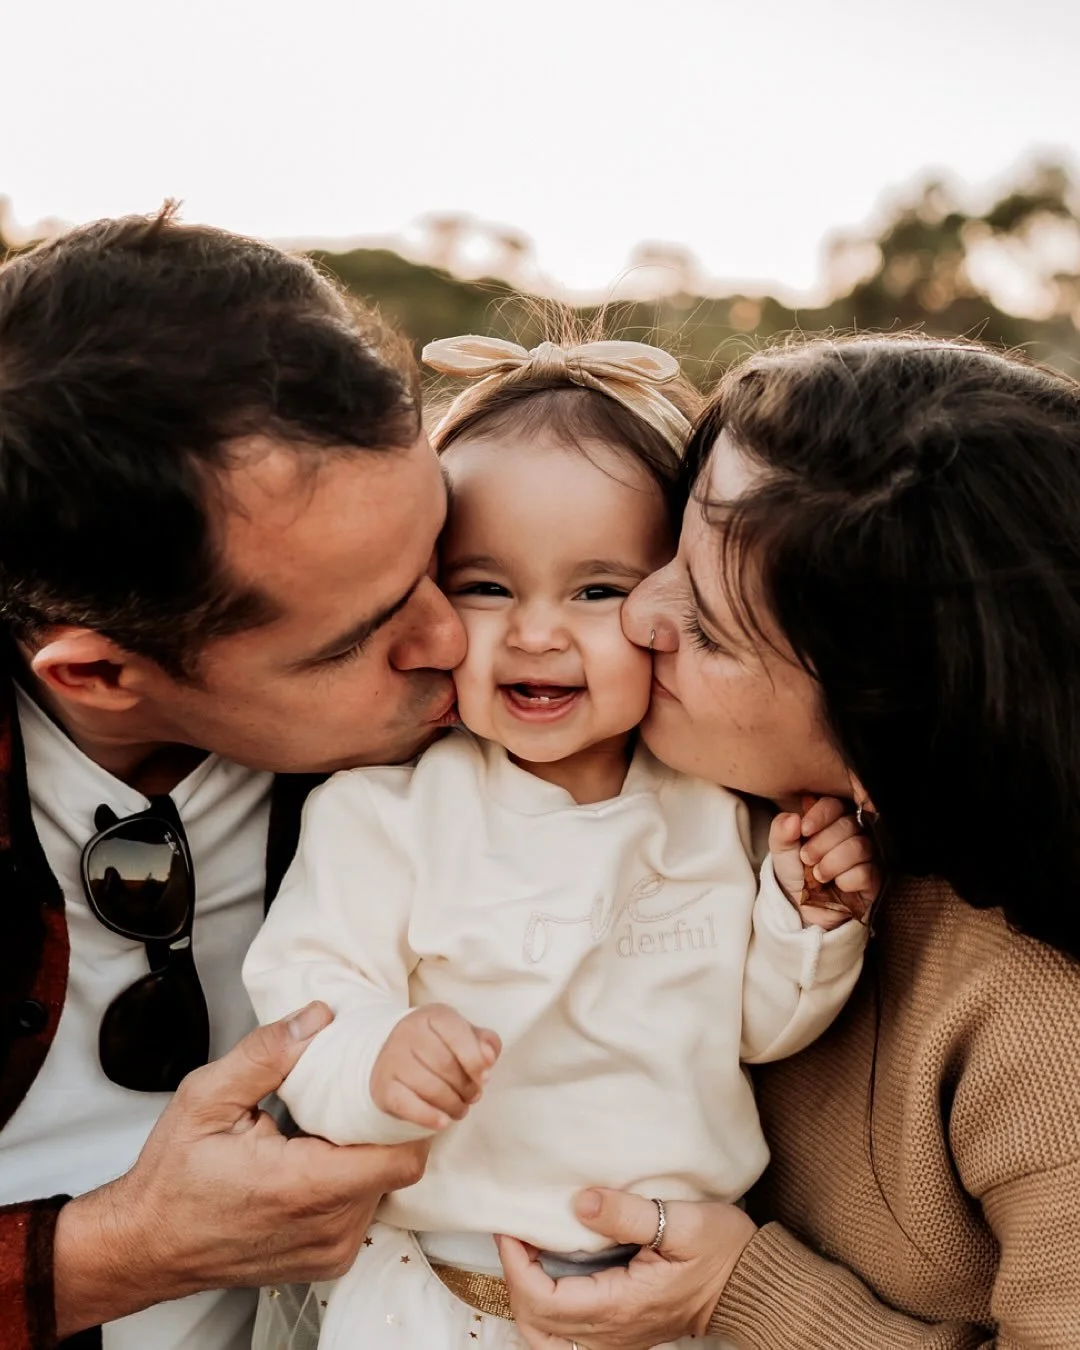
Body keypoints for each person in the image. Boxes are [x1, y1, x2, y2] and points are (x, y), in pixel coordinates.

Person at [243, 333, 877, 1350]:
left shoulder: (715, 805)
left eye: (595, 591)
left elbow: (756, 1032)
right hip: (443, 1296)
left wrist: (806, 919)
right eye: (488, 587)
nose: (538, 634)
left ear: (674, 601)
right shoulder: (388, 816)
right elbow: (306, 999)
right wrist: (376, 1054)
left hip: (673, 1297)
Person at [491, 335, 1080, 1349]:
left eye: (711, 631)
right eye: (668, 546)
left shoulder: (1039, 1034)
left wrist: (742, 1296)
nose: (640, 611)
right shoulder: (673, 789)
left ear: (883, 752)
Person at [0, 207, 467, 1350]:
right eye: (359, 636)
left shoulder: (507, 728)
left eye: (446, 560)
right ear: (101, 672)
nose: (455, 639)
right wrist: (112, 1253)